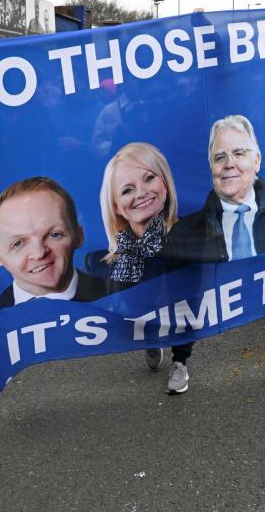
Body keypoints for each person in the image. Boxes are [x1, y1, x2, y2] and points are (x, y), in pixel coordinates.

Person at [162, 114, 265, 325]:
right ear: (211, 167)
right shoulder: (184, 233)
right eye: (219, 157)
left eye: (239, 153)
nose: (229, 164)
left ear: (257, 161)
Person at [85, 143, 194, 393]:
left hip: (176, 267)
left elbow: (191, 306)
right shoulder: (105, 260)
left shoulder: (189, 237)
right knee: (138, 307)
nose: (142, 193)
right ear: (115, 205)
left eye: (149, 178)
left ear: (165, 181)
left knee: (184, 302)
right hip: (137, 293)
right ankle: (150, 336)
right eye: (127, 189)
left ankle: (180, 362)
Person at [0, 177, 112, 323]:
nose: (39, 253)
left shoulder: (114, 298)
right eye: (17, 244)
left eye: (54, 235)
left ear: (78, 236)